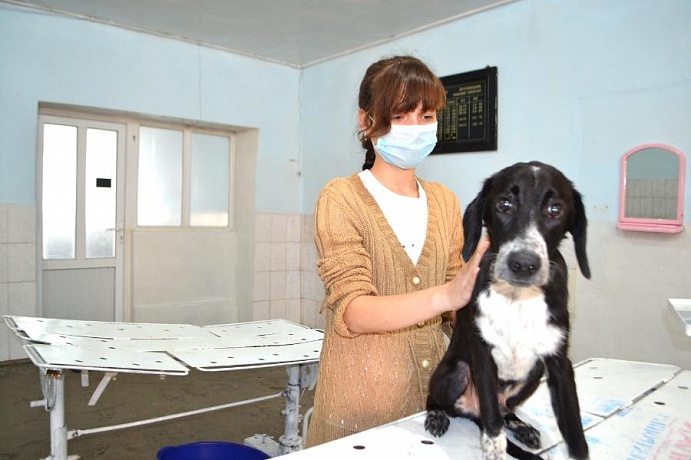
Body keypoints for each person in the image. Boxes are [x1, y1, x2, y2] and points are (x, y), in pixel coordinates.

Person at [305, 55, 489, 447]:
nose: (415, 128)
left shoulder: (445, 201)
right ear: (366, 120)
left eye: (427, 116)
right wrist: (447, 295)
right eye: (400, 115)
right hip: (358, 413)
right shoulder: (340, 198)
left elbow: (455, 305)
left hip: (429, 406)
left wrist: (486, 321)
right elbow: (353, 311)